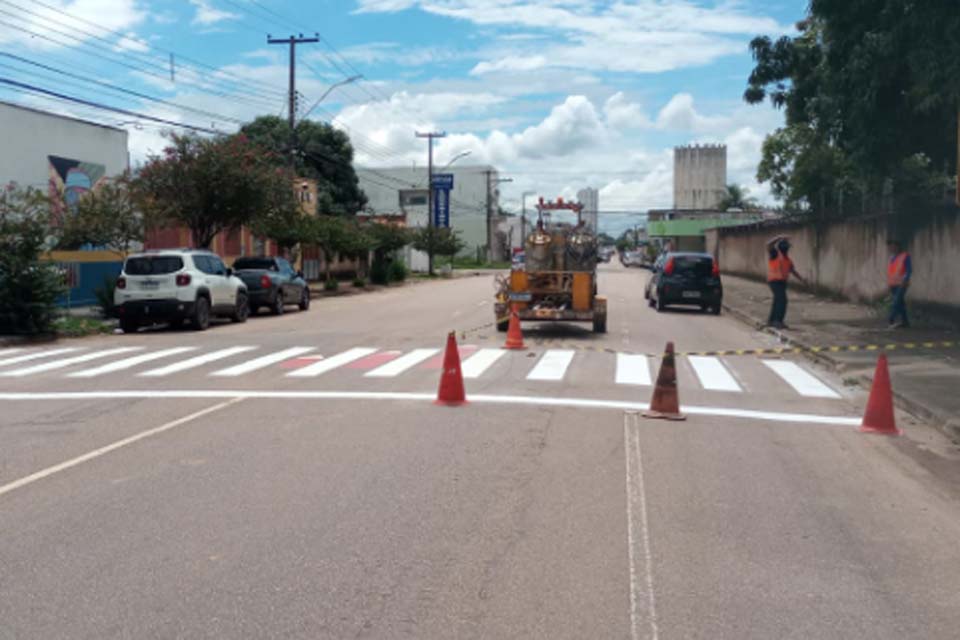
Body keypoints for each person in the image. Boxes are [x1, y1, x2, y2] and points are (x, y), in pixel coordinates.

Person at [766, 236, 805, 329]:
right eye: (786, 247)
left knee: (777, 300)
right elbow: (768, 244)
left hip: (782, 282)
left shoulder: (787, 260)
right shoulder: (775, 254)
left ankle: (772, 320)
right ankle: (777, 321)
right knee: (782, 300)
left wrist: (802, 279)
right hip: (774, 281)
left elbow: (792, 271)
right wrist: (779, 237)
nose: (786, 249)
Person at [887, 240, 912, 329]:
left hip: (902, 284)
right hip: (893, 284)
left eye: (893, 246)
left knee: (896, 302)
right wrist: (889, 284)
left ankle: (891, 319)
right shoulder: (892, 258)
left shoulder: (905, 256)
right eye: (890, 247)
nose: (891, 248)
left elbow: (909, 270)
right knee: (901, 303)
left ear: (898, 247)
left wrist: (905, 280)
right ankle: (905, 322)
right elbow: (891, 273)